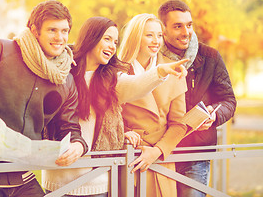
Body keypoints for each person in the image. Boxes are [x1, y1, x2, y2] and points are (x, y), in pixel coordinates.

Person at [0, 0, 88, 197]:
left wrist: (78, 144)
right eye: (52, 30)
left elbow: (69, 127)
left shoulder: (66, 79)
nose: (60, 37)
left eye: (64, 31)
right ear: (34, 30)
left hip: (23, 178)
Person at [42, 16, 188, 196]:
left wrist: (161, 71)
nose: (112, 46)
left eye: (115, 41)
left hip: (97, 181)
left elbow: (137, 84)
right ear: (91, 37)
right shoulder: (59, 72)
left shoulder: (112, 80)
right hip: (57, 179)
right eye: (107, 39)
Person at [157, 0, 237, 197]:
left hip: (195, 153)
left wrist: (214, 114)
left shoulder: (210, 57)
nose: (186, 32)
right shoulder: (152, 56)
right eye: (178, 26)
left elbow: (228, 100)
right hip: (157, 151)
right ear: (163, 29)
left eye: (189, 24)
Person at [119, 13, 189, 197]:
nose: (156, 41)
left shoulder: (174, 70)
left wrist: (157, 151)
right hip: (128, 155)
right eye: (149, 35)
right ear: (136, 37)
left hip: (159, 157)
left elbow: (179, 123)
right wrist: (123, 131)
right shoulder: (117, 70)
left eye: (159, 35)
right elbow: (106, 113)